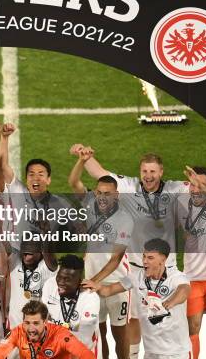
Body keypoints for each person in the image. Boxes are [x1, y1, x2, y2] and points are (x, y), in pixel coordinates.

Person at [73, 146, 189, 358]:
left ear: (161, 172)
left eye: (153, 171)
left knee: (169, 320)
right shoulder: (128, 186)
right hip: (138, 270)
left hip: (167, 269)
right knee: (135, 320)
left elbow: (205, 192)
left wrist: (200, 183)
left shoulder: (174, 189)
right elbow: (100, 173)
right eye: (145, 171)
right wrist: (86, 157)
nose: (148, 176)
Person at [69, 151, 134, 359]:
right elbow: (74, 182)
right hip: (92, 282)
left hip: (116, 285)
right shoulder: (90, 203)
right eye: (99, 193)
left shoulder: (125, 220)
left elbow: (115, 260)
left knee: (120, 334)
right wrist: (81, 160)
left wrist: (94, 282)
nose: (102, 197)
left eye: (108, 194)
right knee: (99, 332)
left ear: (116, 195)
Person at [83, 238, 192, 359]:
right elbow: (108, 290)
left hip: (178, 352)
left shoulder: (176, 276)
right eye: (144, 257)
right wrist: (97, 286)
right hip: (150, 353)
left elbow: (184, 291)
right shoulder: (136, 277)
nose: (144, 261)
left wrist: (168, 303)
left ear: (163, 259)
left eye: (150, 258)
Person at [176, 166, 206, 359]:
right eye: (191, 184)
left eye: (199, 184)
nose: (194, 189)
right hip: (192, 279)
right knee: (192, 328)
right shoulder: (183, 204)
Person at [0, 300, 95, 359]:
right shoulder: (17, 332)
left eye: (36, 323)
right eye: (27, 323)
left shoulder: (61, 336)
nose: (31, 329)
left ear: (45, 322)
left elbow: (87, 355)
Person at [41, 255, 100, 356]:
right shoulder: (49, 285)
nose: (60, 282)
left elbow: (84, 339)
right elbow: (44, 319)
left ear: (79, 280)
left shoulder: (90, 298)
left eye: (67, 279)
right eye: (59, 276)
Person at [7, 241, 58, 329]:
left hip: (38, 328)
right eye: (24, 250)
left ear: (40, 251)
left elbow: (53, 265)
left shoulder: (46, 266)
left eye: (30, 252)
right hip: (15, 326)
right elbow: (6, 249)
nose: (26, 255)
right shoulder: (16, 261)